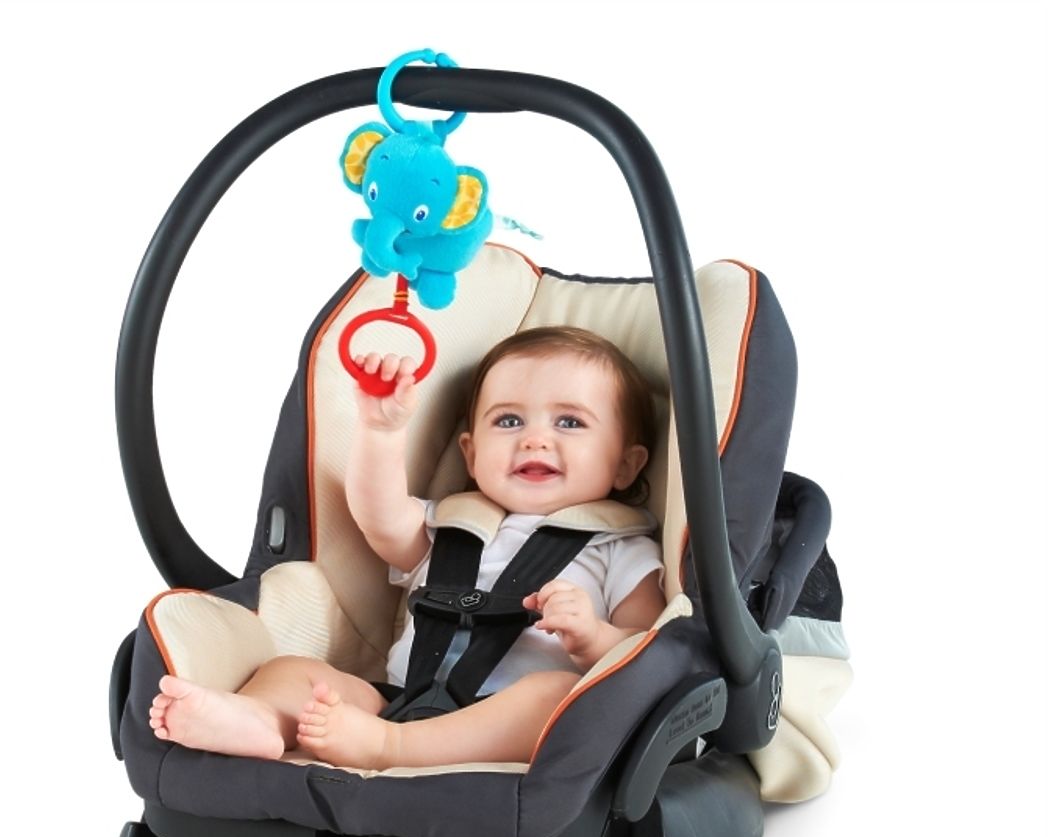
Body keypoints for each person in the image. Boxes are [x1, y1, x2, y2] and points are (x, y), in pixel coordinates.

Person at [148, 326, 667, 769]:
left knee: (554, 698)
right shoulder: (451, 528)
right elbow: (379, 514)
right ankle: (259, 720)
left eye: (569, 422)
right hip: (396, 701)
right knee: (291, 670)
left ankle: (391, 749)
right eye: (508, 421)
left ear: (626, 464)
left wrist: (592, 636)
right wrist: (381, 430)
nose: (534, 439)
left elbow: (647, 649)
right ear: (470, 454)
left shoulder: (621, 550)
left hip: (506, 719)